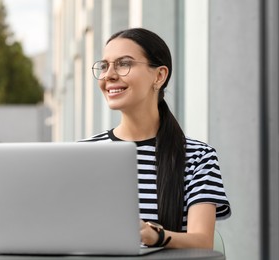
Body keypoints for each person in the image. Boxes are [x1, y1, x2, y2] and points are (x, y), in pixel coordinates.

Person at [82, 28, 231, 249]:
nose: (109, 75)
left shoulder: (198, 157)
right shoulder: (83, 155)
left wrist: (156, 236)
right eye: (104, 66)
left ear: (159, 76)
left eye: (124, 64)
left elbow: (202, 241)